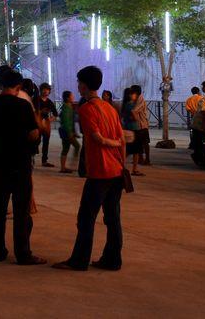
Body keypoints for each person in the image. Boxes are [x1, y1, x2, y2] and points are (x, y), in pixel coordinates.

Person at [54, 65, 125, 272]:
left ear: (83, 85)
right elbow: (121, 139)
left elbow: (96, 138)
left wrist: (110, 143)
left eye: (79, 82)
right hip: (116, 170)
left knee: (86, 218)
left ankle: (79, 260)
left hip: (100, 170)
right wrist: (120, 156)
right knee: (113, 218)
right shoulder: (109, 108)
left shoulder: (87, 109)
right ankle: (112, 259)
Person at [0, 66, 44, 265]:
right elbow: (33, 133)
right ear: (18, 86)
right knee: (20, 210)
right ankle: (22, 252)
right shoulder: (23, 105)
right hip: (20, 161)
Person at [35, 83, 58, 168]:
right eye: (44, 89)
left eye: (47, 90)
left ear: (49, 91)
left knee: (46, 143)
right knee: (36, 141)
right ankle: (31, 158)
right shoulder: (36, 100)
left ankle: (44, 161)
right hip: (37, 124)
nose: (45, 91)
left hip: (46, 125)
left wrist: (49, 120)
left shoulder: (49, 102)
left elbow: (55, 114)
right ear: (40, 90)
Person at [58, 90, 80, 173]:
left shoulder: (68, 106)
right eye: (72, 96)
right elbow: (67, 121)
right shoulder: (66, 108)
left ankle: (63, 167)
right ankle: (73, 164)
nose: (73, 97)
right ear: (68, 98)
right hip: (67, 132)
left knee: (66, 148)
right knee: (77, 146)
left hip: (67, 132)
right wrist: (70, 132)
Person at [130, 85, 151, 166]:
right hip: (138, 124)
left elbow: (135, 110)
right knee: (139, 142)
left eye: (132, 91)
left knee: (145, 142)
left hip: (142, 124)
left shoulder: (140, 99)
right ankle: (141, 158)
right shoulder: (136, 99)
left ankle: (147, 159)